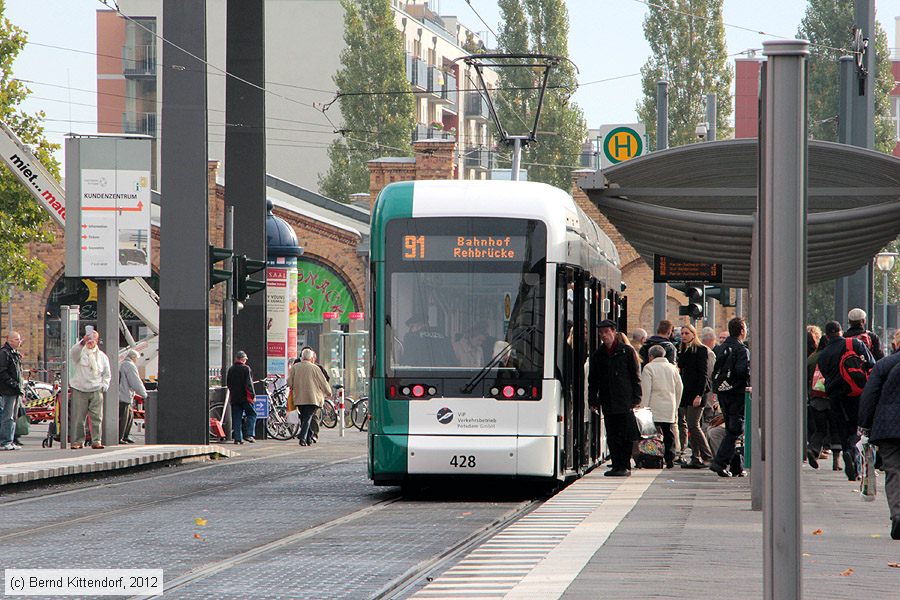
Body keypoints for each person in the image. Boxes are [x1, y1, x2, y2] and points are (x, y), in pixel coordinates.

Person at [816, 321, 875, 480]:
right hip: (857, 393)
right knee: (859, 428)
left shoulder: (824, 354)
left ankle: (849, 457)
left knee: (843, 428)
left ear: (827, 336)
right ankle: (853, 453)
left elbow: (825, 375)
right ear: (841, 332)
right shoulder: (854, 343)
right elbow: (872, 364)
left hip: (836, 396)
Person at [588, 319, 641, 477]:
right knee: (612, 434)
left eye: (606, 332)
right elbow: (594, 379)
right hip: (608, 399)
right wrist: (593, 400)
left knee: (625, 434)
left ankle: (624, 465)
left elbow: (635, 377)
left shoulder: (626, 351)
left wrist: (636, 399)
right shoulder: (599, 354)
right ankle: (617, 464)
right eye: (601, 333)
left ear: (614, 332)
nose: (604, 335)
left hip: (624, 400)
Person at [858, 345, 900, 539]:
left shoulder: (884, 364)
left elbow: (869, 395)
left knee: (893, 471)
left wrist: (865, 425)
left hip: (888, 426)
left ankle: (898, 514)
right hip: (889, 426)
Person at [709, 317, 750, 478]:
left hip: (723, 392)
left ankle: (736, 467)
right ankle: (720, 462)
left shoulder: (721, 348)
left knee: (730, 428)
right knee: (735, 429)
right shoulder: (742, 350)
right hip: (737, 393)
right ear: (741, 331)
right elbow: (742, 371)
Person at [640, 344, 683, 469]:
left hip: (653, 408)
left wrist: (644, 408)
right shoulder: (673, 368)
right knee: (668, 433)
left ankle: (654, 459)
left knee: (652, 435)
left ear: (651, 356)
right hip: (669, 406)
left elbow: (646, 389)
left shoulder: (649, 368)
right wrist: (676, 404)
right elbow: (679, 388)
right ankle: (669, 458)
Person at [69, 329, 111, 449]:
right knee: (79, 417)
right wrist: (83, 342)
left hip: (96, 389)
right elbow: (73, 352)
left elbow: (107, 373)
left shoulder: (102, 356)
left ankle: (96, 441)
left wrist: (104, 385)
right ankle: (78, 441)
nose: (91, 342)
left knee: (97, 417)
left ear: (97, 341)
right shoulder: (80, 353)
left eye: (93, 339)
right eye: (89, 339)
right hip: (80, 388)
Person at [678, 324, 713, 468]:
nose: (684, 336)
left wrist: (699, 394)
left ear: (693, 334)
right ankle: (695, 457)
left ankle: (707, 455)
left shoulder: (701, 350)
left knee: (693, 425)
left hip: (697, 394)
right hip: (686, 393)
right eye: (682, 333)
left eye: (687, 333)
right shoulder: (684, 350)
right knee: (692, 426)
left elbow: (703, 375)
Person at [289, 348, 332, 446]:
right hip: (312, 398)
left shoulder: (295, 367)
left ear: (302, 357)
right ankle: (302, 437)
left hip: (299, 398)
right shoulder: (315, 368)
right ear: (311, 357)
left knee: (304, 417)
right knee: (308, 417)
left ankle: (309, 437)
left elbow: (289, 382)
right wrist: (328, 392)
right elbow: (323, 382)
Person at [805, 326, 829, 469]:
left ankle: (813, 448)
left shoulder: (812, 357)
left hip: (813, 394)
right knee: (827, 426)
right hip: (828, 394)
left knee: (817, 425)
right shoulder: (827, 355)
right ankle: (832, 452)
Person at [0, 331, 24, 451]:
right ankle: (5, 441)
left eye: (19, 339)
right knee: (7, 416)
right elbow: (2, 372)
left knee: (13, 416)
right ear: (9, 340)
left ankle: (10, 439)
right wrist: (13, 384)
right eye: (16, 339)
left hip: (15, 390)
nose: (19, 342)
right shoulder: (4, 353)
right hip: (8, 390)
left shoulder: (15, 353)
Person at [226, 350, 257, 445]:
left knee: (236, 417)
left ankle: (238, 438)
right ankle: (249, 434)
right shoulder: (246, 369)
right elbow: (249, 384)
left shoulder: (231, 369)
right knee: (252, 414)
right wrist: (253, 396)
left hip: (235, 397)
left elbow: (229, 384)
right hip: (246, 397)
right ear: (243, 359)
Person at [118, 349, 147, 444]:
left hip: (125, 395)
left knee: (129, 416)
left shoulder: (123, 364)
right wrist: (144, 394)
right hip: (124, 395)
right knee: (124, 417)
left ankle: (125, 436)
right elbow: (135, 382)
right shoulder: (129, 365)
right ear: (133, 357)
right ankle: (121, 437)